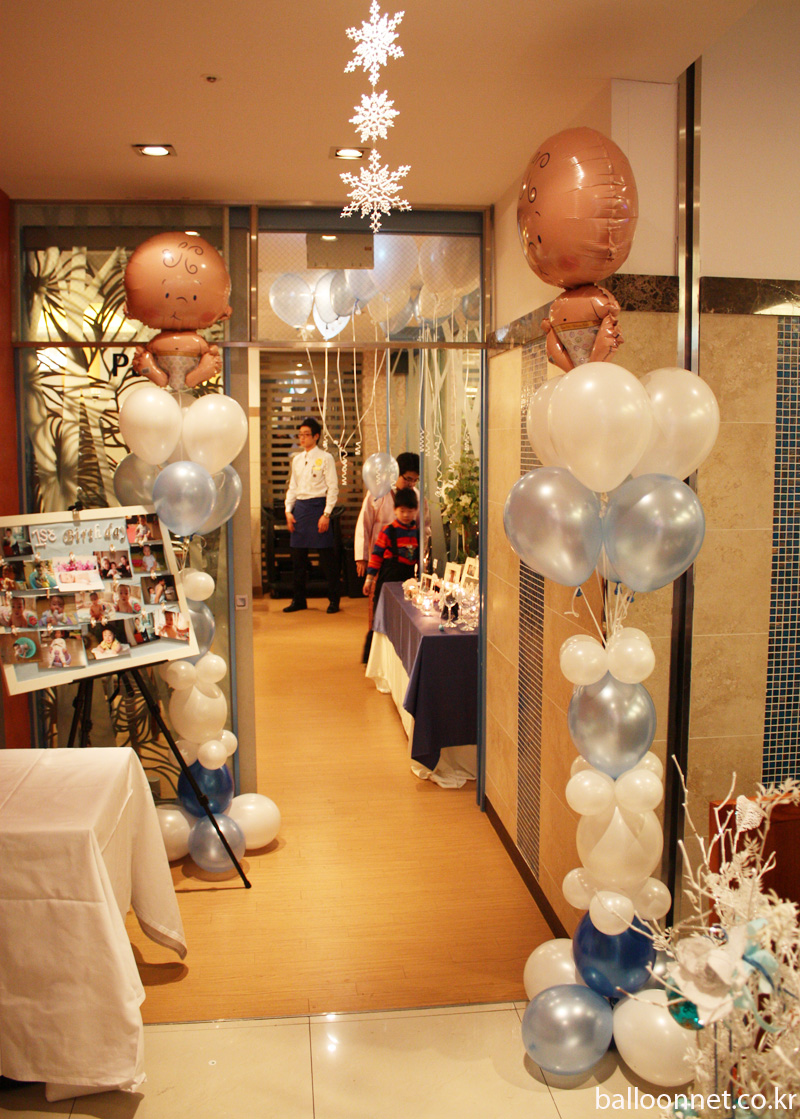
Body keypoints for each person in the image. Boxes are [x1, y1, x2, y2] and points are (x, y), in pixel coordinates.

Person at [283, 416, 340, 614]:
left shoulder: (326, 458)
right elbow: (293, 487)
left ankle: (334, 600)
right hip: (300, 508)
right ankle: (298, 600)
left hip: (318, 507)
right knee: (298, 559)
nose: (302, 438)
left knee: (326, 558)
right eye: (300, 434)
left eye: (306, 434)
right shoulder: (297, 460)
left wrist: (326, 514)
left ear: (316, 436)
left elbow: (333, 487)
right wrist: (288, 511)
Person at [362, 488, 419, 610]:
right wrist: (369, 579)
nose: (406, 515)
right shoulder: (388, 530)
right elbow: (376, 556)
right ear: (395, 510)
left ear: (416, 510)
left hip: (409, 578)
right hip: (389, 578)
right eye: (402, 511)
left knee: (406, 610)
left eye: (410, 511)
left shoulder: (417, 533)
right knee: (385, 609)